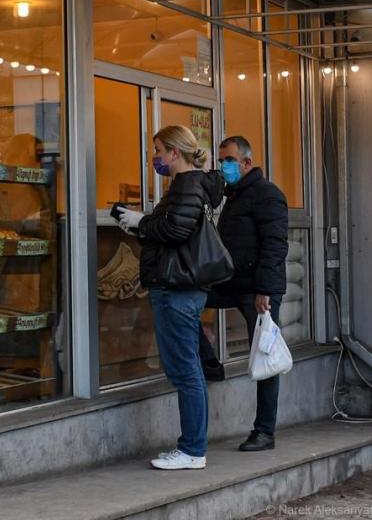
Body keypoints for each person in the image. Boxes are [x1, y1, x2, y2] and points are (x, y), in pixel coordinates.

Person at [115, 125, 224, 470]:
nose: (156, 158)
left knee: (185, 370)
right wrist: (139, 226)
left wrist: (142, 222)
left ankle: (192, 449)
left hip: (177, 289)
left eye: (159, 151)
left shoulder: (187, 185)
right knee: (186, 368)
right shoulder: (187, 185)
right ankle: (192, 447)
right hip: (178, 288)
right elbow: (174, 231)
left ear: (175, 153)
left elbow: (176, 229)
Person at [199, 135, 289, 452]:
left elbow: (275, 245)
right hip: (232, 283)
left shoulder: (267, 195)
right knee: (187, 302)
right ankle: (210, 362)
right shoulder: (234, 195)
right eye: (221, 160)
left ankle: (264, 431)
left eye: (229, 160)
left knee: (265, 357)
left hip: (257, 290)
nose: (224, 165)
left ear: (247, 162)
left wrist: (265, 290)